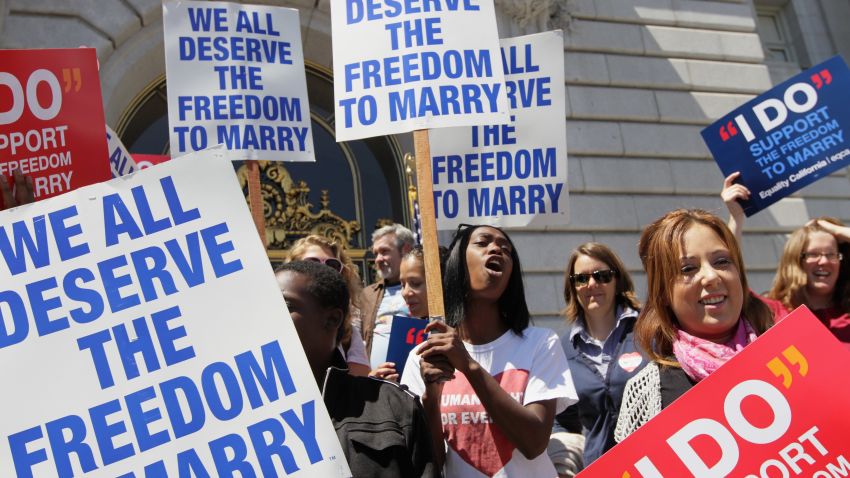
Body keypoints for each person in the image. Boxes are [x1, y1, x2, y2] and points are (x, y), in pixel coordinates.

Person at [401, 224, 577, 477]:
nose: (496, 249)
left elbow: (534, 443)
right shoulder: (424, 355)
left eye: (506, 249)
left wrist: (469, 367)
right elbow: (431, 464)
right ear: (457, 263)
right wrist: (431, 395)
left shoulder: (540, 343)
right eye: (483, 243)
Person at [614, 209, 773, 441]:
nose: (711, 276)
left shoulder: (792, 353)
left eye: (722, 261)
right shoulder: (647, 393)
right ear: (664, 293)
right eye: (688, 268)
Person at [275, 261, 438, 477]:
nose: (271, 316)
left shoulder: (393, 405)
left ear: (332, 319)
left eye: (285, 306)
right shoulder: (242, 417)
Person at [722, 172, 850, 347]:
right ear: (796, 261)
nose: (824, 261)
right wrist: (736, 217)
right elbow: (732, 282)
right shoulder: (773, 312)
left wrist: (840, 232)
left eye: (831, 254)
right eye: (813, 254)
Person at [557, 242, 647, 466]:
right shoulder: (562, 349)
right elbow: (557, 419)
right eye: (581, 279)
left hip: (656, 461)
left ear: (617, 282)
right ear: (573, 287)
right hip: (601, 468)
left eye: (602, 276)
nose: (592, 284)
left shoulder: (649, 328)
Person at [285, 235, 371, 376]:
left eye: (332, 265)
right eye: (312, 263)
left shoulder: (348, 334)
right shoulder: (276, 324)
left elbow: (359, 381)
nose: (322, 269)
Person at [370, 245, 429, 382]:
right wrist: (377, 382)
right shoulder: (408, 331)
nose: (405, 293)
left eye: (415, 283)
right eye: (402, 285)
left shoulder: (460, 334)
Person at [362, 224, 415, 369]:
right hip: (376, 385)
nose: (378, 259)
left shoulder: (430, 289)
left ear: (406, 250)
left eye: (384, 251)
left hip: (416, 380)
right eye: (375, 254)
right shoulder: (367, 295)